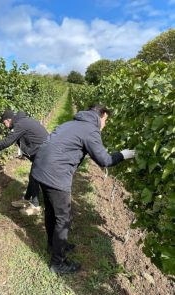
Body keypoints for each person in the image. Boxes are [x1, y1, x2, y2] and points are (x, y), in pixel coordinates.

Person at [31, 104, 136, 274]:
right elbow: (105, 161)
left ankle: (55, 246)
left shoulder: (70, 123)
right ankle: (57, 263)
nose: (105, 124)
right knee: (63, 218)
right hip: (55, 174)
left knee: (52, 211)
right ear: (100, 115)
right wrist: (123, 155)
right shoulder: (90, 129)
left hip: (40, 169)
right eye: (105, 120)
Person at [0, 110, 49, 215]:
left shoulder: (20, 124)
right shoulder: (22, 121)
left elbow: (7, 142)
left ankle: (35, 207)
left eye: (4, 123)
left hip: (44, 153)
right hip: (43, 151)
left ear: (8, 120)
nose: (5, 126)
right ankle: (27, 198)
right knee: (33, 177)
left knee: (35, 176)